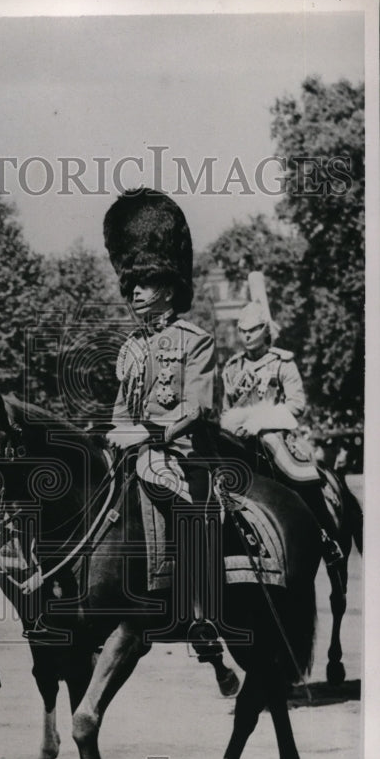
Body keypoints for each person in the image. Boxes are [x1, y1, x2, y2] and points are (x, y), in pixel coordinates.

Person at [103, 188, 220, 646]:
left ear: (168, 288)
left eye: (143, 282)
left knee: (164, 483)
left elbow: (197, 408)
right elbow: (119, 409)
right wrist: (115, 436)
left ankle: (197, 607)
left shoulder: (195, 340)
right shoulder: (130, 347)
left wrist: (147, 436)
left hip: (181, 451)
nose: (132, 290)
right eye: (130, 283)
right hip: (132, 447)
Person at [221, 295, 342, 564]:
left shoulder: (282, 363)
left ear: (265, 330)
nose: (247, 335)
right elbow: (226, 407)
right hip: (239, 436)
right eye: (242, 330)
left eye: (253, 329)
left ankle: (328, 538)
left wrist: (260, 422)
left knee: (299, 474)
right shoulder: (231, 368)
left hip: (274, 432)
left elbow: (296, 406)